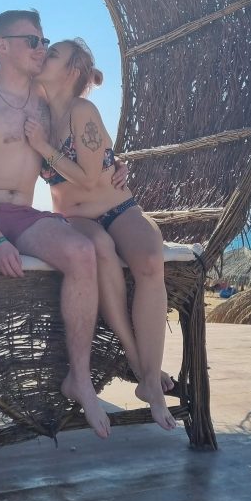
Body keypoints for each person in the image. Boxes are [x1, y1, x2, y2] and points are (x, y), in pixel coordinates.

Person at [0, 10, 129, 464]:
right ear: (4, 46)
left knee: (81, 252)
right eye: (34, 41)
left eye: (45, 41)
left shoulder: (45, 103)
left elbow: (88, 144)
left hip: (24, 211)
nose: (42, 48)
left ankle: (79, 378)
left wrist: (117, 166)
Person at [24, 37, 176, 432]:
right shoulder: (34, 112)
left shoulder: (81, 109)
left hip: (119, 205)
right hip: (75, 218)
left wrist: (44, 147)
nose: (43, 56)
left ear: (72, 71)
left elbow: (92, 178)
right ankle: (144, 371)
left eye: (52, 54)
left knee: (149, 259)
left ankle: (150, 379)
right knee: (102, 250)